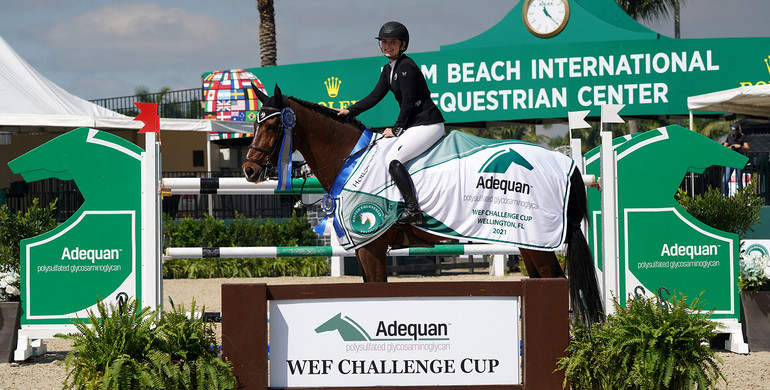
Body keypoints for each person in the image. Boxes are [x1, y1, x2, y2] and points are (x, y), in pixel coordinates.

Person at [334, 21, 445, 224]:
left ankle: (413, 211)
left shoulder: (407, 67)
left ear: (403, 44)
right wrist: (349, 111)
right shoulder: (388, 69)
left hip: (428, 124)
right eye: (384, 41)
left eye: (393, 41)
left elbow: (409, 103)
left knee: (393, 160)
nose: (387, 45)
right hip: (415, 126)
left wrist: (396, 129)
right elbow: (374, 97)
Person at [722, 123, 750, 195]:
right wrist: (730, 147)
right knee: (724, 180)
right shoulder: (729, 137)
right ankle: (726, 196)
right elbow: (723, 148)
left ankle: (740, 197)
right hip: (730, 161)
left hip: (739, 160)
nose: (734, 134)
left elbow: (747, 148)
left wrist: (739, 146)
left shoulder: (743, 137)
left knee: (739, 180)